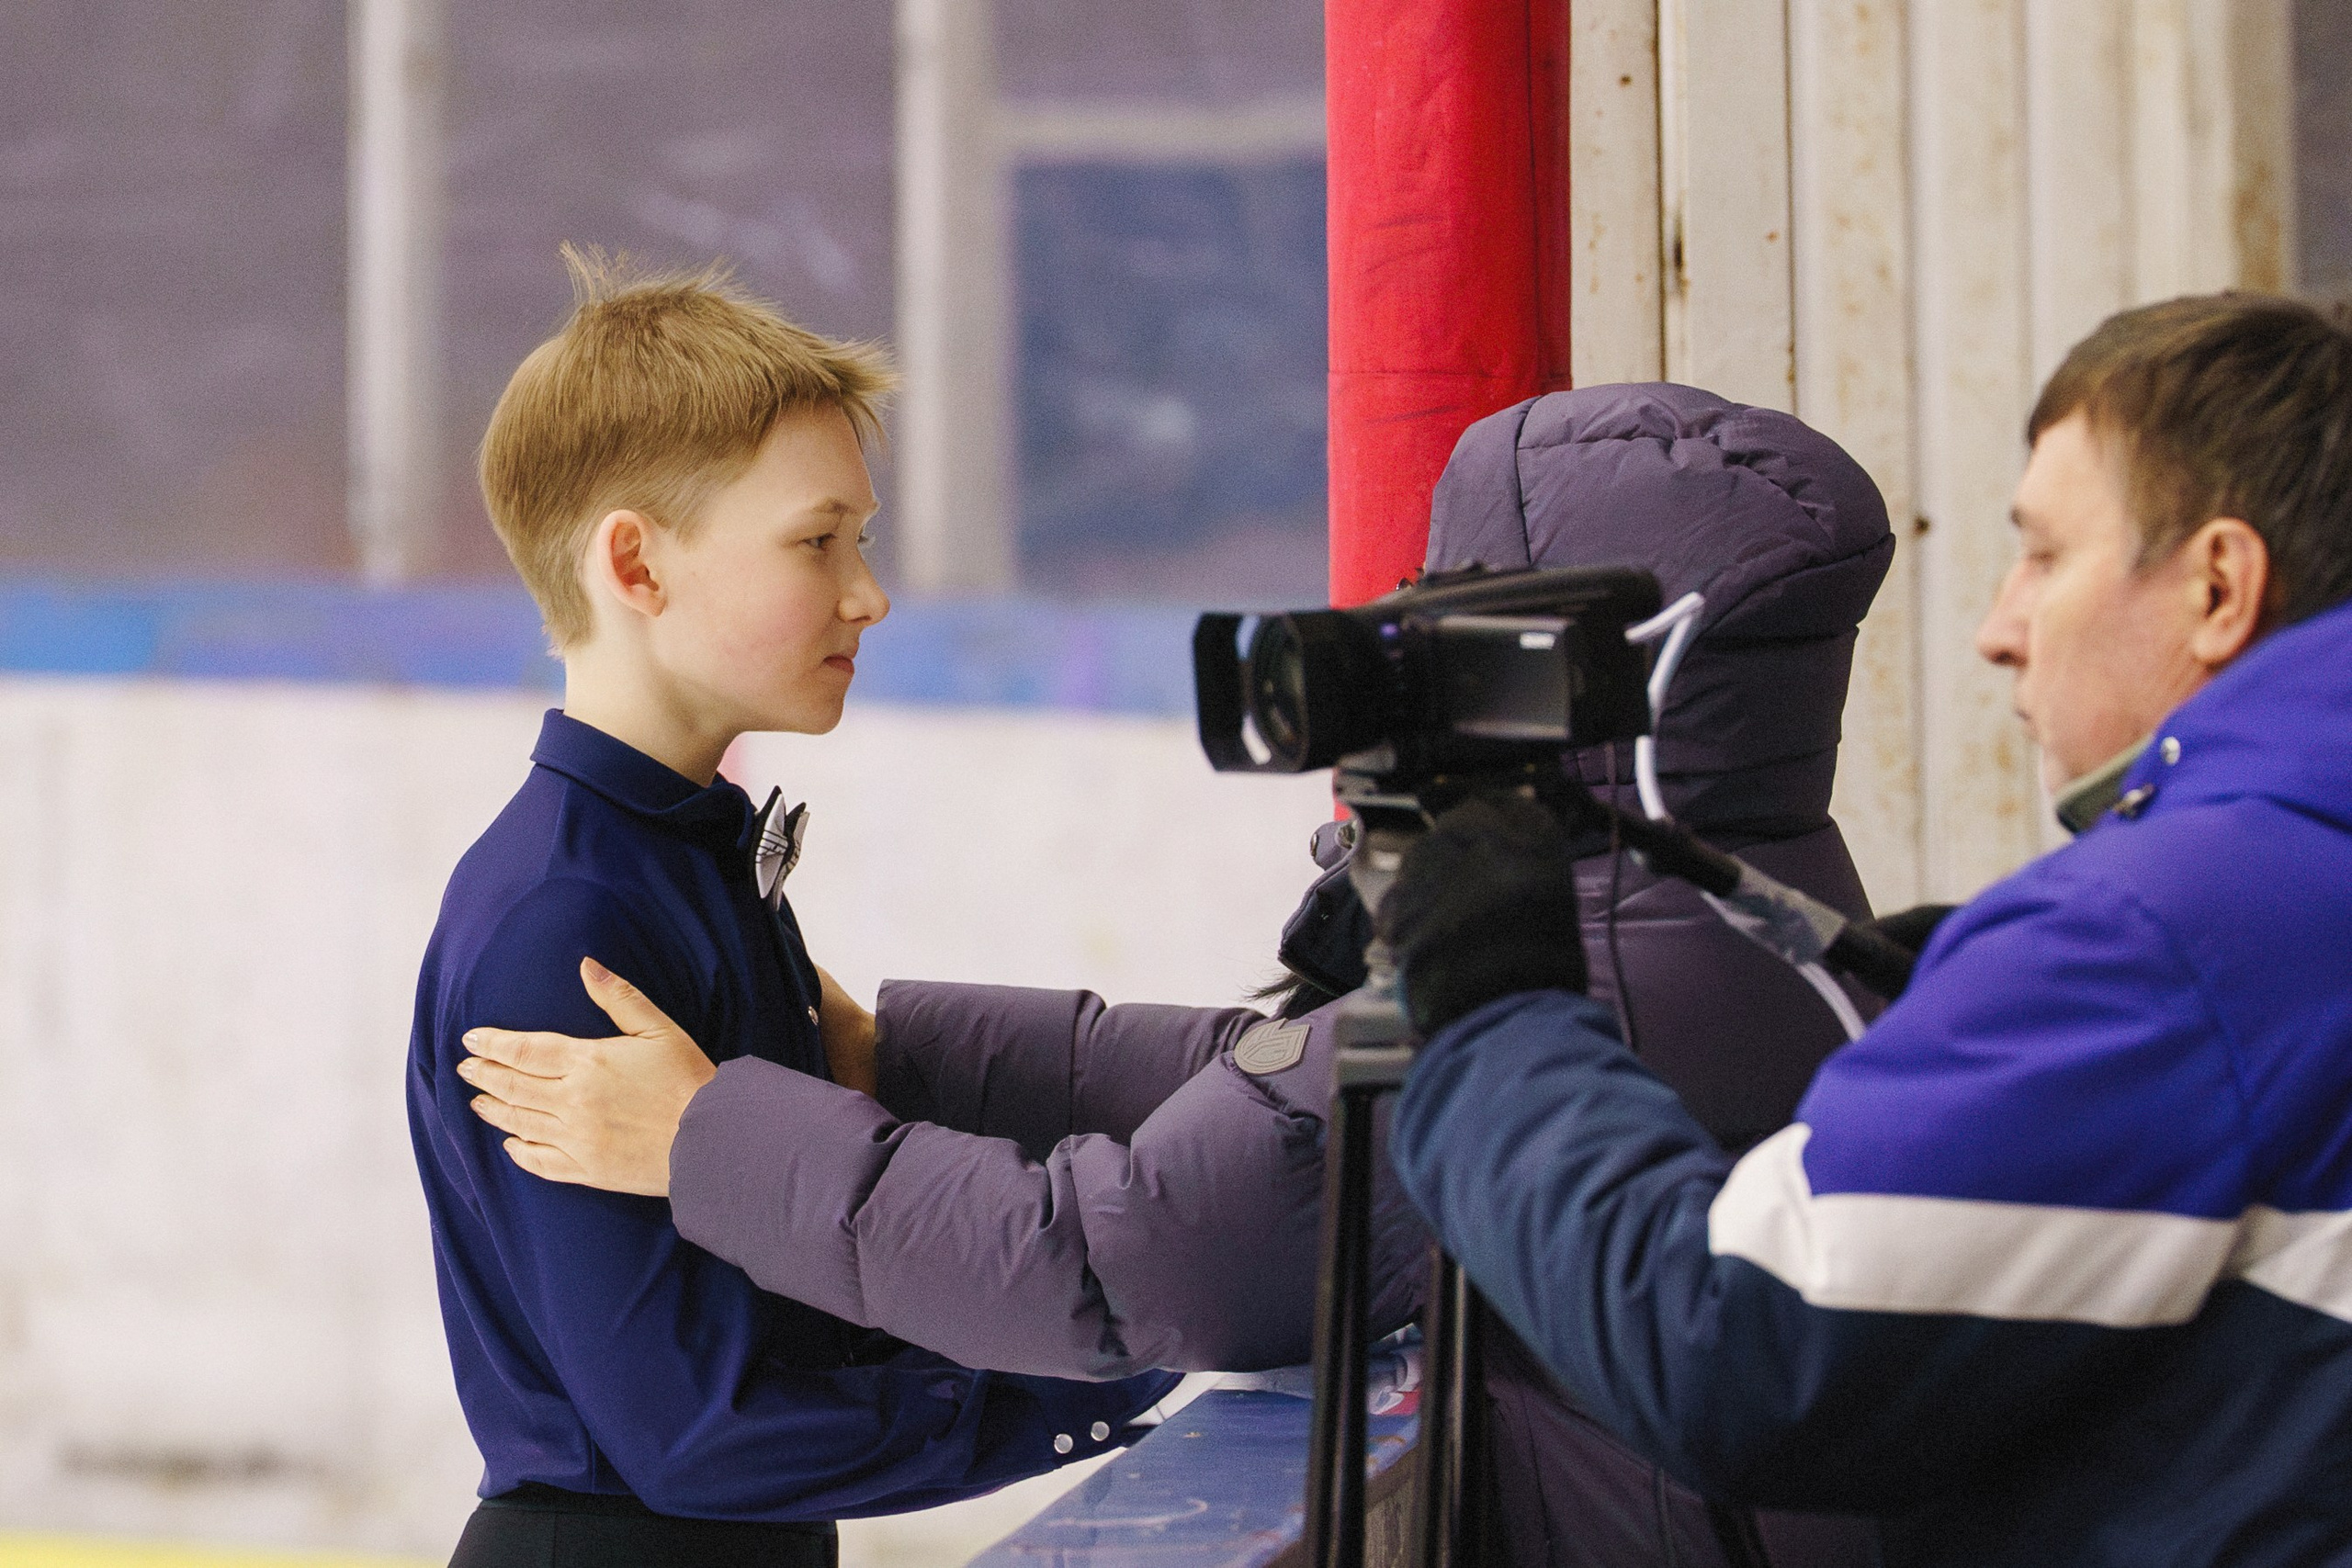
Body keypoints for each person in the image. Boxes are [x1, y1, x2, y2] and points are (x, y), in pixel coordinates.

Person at [457, 382, 1898, 1566]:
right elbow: (1292, 1074)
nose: (1411, 640)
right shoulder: (1736, 898)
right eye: (818, 542)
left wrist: (709, 1138)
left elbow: (1135, 1250)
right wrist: (911, 1053)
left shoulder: (1582, 955)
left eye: (1463, 601)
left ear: (1584, 652)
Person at [1377, 292, 2352, 1568]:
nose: (2001, 629)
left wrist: (1493, 1009)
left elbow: (1727, 1347)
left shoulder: (2159, 939)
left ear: (2219, 584)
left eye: (2048, 557)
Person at [407, 251, 1172, 1568]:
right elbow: (701, 1429)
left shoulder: (694, 860)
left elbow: (808, 1287)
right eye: (818, 543)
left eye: (858, 541)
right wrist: (1104, 1377)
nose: (866, 593)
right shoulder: (567, 923)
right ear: (636, 567)